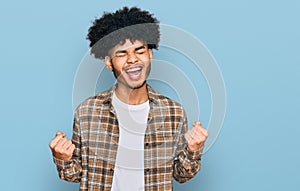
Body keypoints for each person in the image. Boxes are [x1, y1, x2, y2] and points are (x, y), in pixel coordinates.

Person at [49, 6, 209, 191]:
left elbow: (181, 174)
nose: (132, 59)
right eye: (122, 53)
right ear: (109, 63)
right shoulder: (87, 112)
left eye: (140, 51)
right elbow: (75, 175)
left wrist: (193, 149)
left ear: (150, 55)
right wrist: (63, 159)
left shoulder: (173, 112)